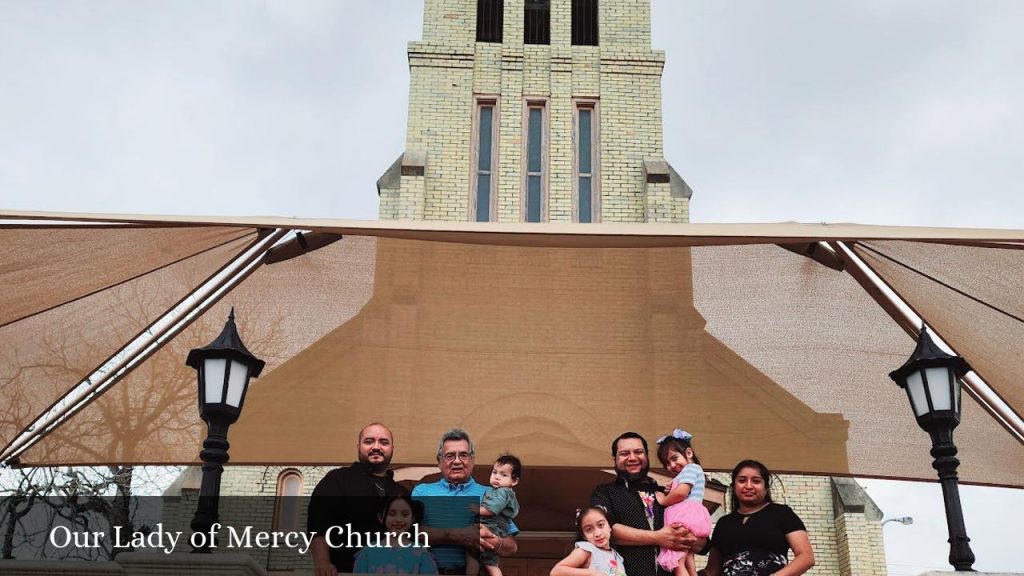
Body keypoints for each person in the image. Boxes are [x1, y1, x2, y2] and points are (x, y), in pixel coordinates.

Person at [590, 432, 703, 576]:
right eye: (624, 453)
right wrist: (658, 537)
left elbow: (701, 541)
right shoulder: (605, 492)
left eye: (638, 452)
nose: (632, 457)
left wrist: (690, 540)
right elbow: (605, 531)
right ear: (614, 459)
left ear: (646, 456)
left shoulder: (668, 494)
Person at [412, 428, 519, 575]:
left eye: (463, 455)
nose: (457, 461)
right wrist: (458, 535)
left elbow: (511, 547)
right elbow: (408, 534)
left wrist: (490, 540)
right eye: (450, 456)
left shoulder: (493, 494)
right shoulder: (421, 491)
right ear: (439, 462)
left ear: (472, 460)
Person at [308, 423, 408, 576]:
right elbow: (318, 523)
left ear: (392, 448)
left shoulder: (401, 492)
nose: (376, 447)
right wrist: (323, 564)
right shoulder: (338, 479)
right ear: (358, 446)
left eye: (384, 442)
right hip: (344, 572)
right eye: (369, 441)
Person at [704, 460, 815, 576]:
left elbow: (806, 557)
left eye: (756, 481)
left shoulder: (782, 513)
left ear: (766, 487)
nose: (748, 486)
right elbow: (712, 570)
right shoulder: (724, 523)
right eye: (742, 481)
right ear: (733, 487)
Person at [653, 429, 712, 576]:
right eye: (667, 463)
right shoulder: (690, 471)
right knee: (688, 554)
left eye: (674, 458)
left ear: (689, 453)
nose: (671, 465)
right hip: (693, 516)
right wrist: (672, 486)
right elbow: (681, 489)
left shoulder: (690, 469)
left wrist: (663, 499)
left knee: (678, 562)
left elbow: (681, 493)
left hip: (685, 515)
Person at [353, 494, 439, 574]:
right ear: (381, 517)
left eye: (405, 514)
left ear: (413, 518)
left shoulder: (422, 553)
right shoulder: (367, 553)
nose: (398, 519)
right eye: (392, 514)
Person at [471, 454, 522, 576]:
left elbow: (491, 510)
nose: (497, 477)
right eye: (494, 472)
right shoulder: (499, 492)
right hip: (495, 528)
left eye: (503, 475)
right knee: (490, 563)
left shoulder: (503, 492)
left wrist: (476, 509)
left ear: (514, 481)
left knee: (485, 561)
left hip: (492, 527)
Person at [550, 506, 626, 576]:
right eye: (589, 529)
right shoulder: (587, 550)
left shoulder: (617, 556)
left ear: (610, 526)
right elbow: (556, 571)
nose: (597, 534)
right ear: (584, 536)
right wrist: (592, 573)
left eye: (601, 525)